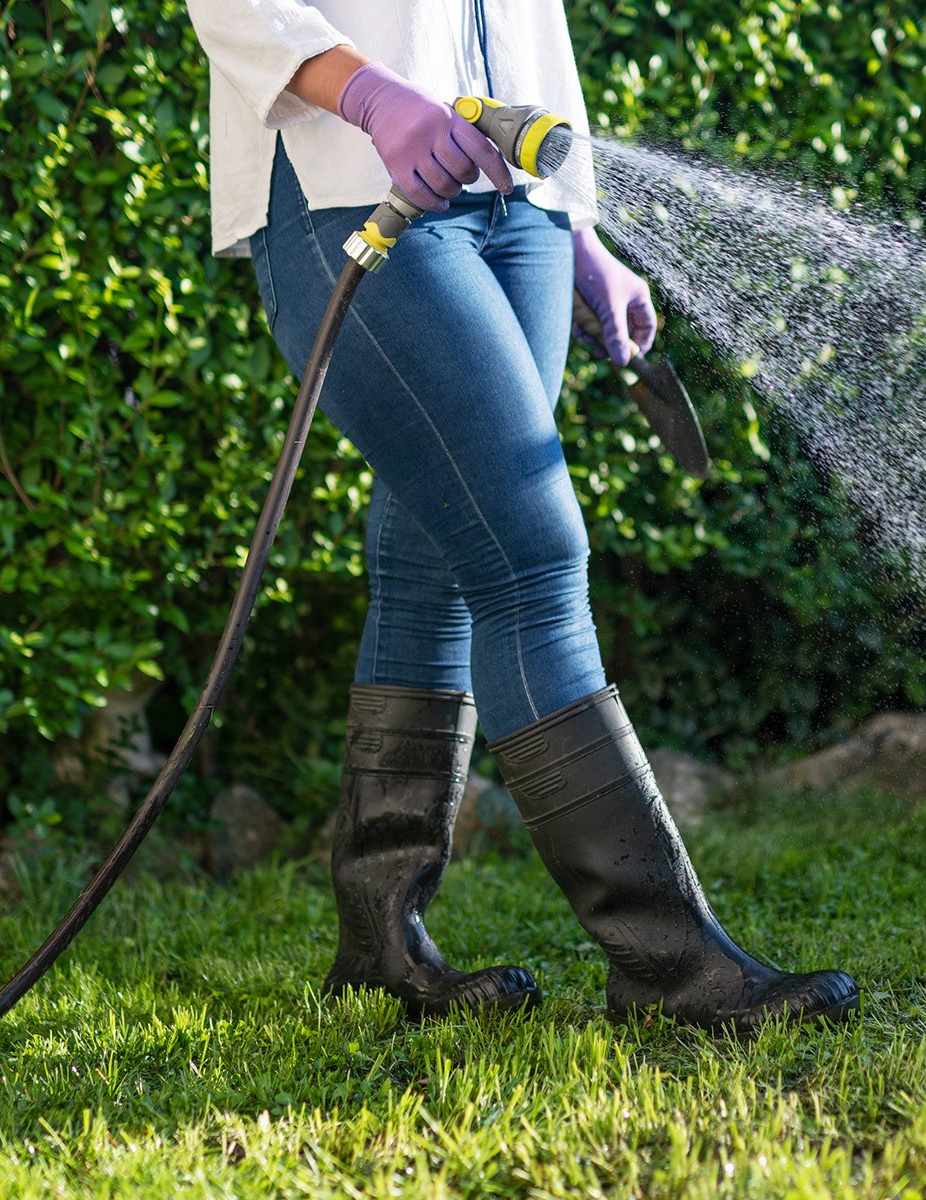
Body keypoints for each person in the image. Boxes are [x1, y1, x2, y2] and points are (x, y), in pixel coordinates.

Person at [184, 0, 858, 1033]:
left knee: (438, 567)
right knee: (532, 560)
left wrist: (579, 228)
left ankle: (380, 945)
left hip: (520, 205)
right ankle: (668, 964)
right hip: (353, 183)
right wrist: (369, 93)